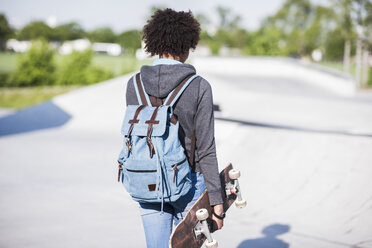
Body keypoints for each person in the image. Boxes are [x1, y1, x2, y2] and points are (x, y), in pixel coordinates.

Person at [125, 8, 224, 248]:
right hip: (189, 184)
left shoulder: (134, 84)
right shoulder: (199, 86)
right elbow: (206, 148)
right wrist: (216, 198)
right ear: (188, 44)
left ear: (154, 41)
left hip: (146, 180)